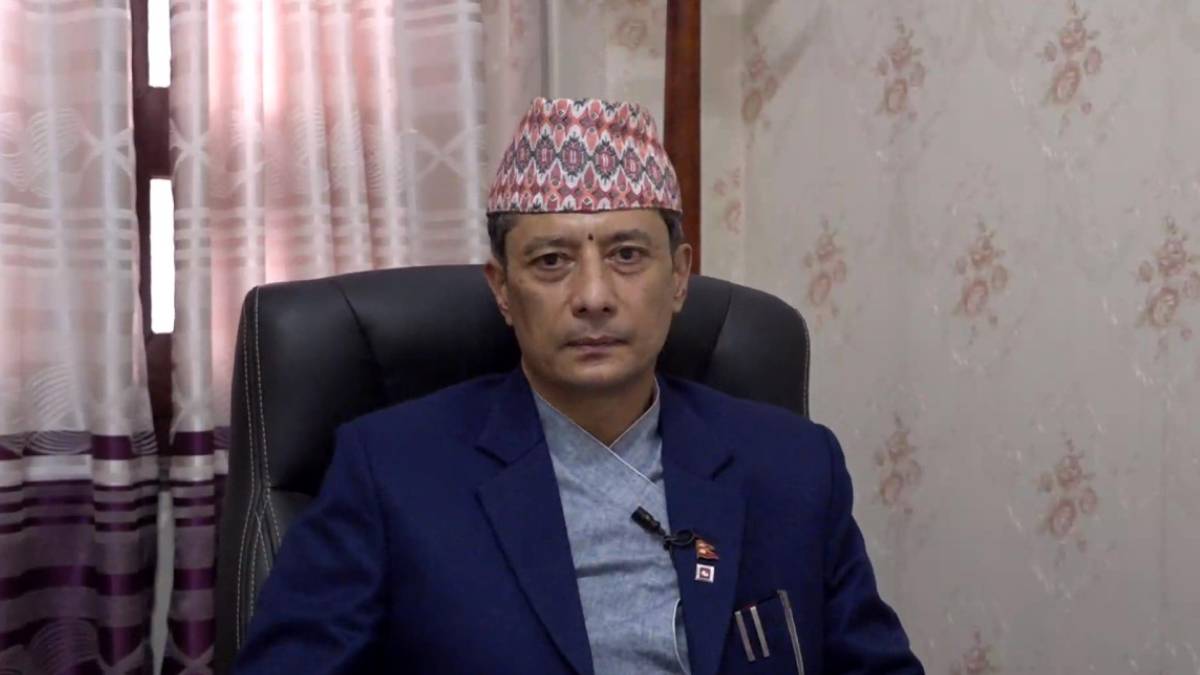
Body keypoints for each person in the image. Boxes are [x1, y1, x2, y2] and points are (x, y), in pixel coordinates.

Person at [233, 97, 924, 675]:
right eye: (552, 260)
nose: (593, 296)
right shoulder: (390, 472)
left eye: (627, 255)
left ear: (680, 276)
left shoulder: (794, 465)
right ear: (502, 290)